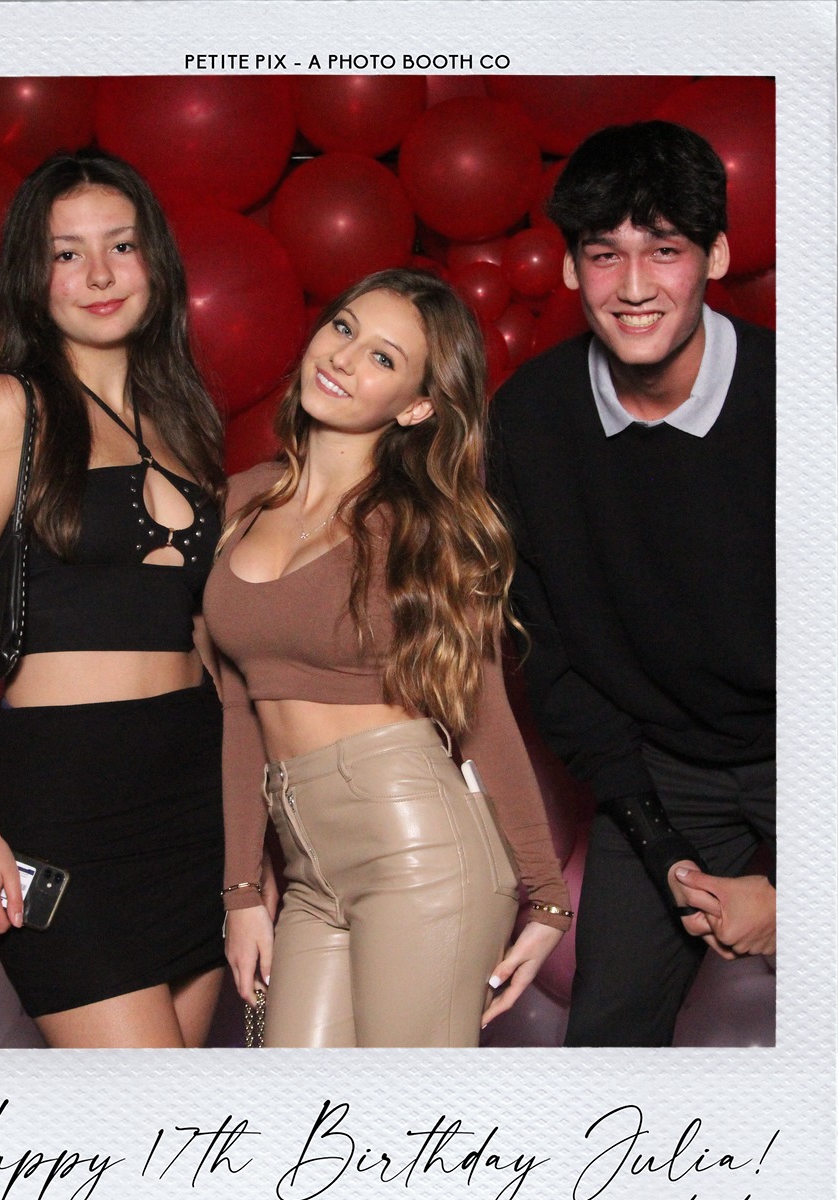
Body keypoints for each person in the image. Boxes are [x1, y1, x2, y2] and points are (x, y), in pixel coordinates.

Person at [0, 148, 228, 1048]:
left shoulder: (186, 417)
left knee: (179, 1115)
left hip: (193, 795)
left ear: (154, 259)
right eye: (66, 253)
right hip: (66, 801)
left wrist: (248, 846)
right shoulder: (9, 408)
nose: (99, 274)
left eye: (121, 245)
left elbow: (207, 630)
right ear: (31, 274)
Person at [203, 268, 573, 1048]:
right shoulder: (239, 501)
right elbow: (239, 709)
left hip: (417, 845)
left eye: (382, 357)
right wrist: (239, 889)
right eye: (343, 328)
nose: (343, 357)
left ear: (415, 406)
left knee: (406, 1115)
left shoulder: (427, 527)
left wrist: (546, 897)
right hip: (305, 863)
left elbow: (482, 711)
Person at [487, 121, 776, 1048]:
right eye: (605, 255)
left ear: (716, 256)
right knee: (606, 1041)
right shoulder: (529, 419)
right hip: (661, 768)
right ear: (571, 269)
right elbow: (548, 653)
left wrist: (793, 888)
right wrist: (662, 847)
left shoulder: (802, 401)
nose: (636, 286)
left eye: (666, 250)